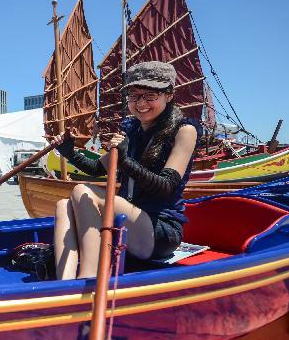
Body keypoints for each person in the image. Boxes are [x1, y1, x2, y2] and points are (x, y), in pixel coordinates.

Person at [52, 61, 198, 280]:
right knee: (64, 204)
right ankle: (64, 285)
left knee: (82, 190)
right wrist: (69, 152)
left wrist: (125, 159)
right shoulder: (131, 131)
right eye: (134, 95)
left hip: (157, 231)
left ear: (169, 95)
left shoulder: (185, 131)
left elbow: (166, 187)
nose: (141, 103)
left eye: (150, 96)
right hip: (126, 222)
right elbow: (96, 169)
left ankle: (89, 278)